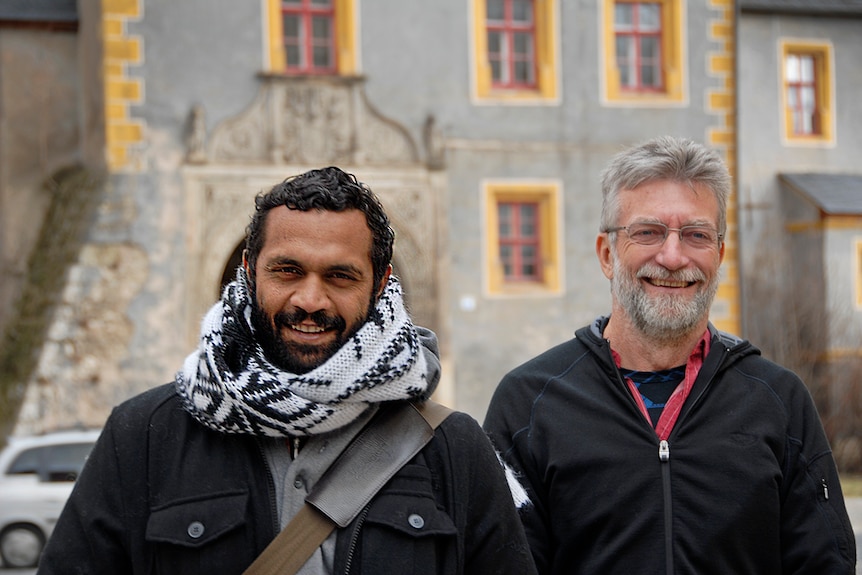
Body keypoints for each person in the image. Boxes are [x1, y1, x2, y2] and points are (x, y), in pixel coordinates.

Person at [39, 167, 537, 575]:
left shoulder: (452, 450)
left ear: (382, 283)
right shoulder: (144, 436)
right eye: (288, 270)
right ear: (250, 269)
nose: (310, 300)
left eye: (340, 276)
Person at [483, 136, 857, 575]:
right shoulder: (529, 404)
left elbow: (824, 565)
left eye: (696, 235)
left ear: (718, 254)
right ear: (607, 254)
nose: (673, 256)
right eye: (648, 232)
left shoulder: (778, 401)